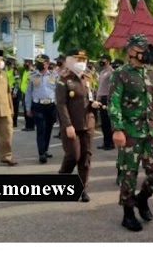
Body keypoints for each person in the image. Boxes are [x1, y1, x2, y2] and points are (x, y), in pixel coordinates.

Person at [109, 34, 153, 232]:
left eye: (146, 49)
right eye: (142, 49)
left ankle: (142, 199)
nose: (146, 53)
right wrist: (118, 129)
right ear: (131, 51)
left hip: (151, 129)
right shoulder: (120, 74)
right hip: (130, 130)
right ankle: (128, 213)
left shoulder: (151, 73)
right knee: (129, 173)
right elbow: (113, 102)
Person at [56, 50, 98, 203]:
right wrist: (67, 125)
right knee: (74, 155)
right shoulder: (63, 79)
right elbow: (61, 104)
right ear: (70, 61)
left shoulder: (88, 78)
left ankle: (82, 189)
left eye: (83, 59)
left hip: (88, 122)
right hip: (72, 124)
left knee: (85, 158)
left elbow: (90, 97)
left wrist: (94, 104)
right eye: (78, 59)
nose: (81, 62)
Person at [25, 54, 58, 164]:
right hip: (38, 106)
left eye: (41, 62)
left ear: (47, 64)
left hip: (51, 106)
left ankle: (46, 149)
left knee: (48, 129)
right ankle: (41, 154)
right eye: (37, 62)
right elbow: (28, 92)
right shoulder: (32, 75)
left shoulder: (54, 76)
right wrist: (28, 107)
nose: (39, 64)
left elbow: (58, 92)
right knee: (41, 129)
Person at [96, 54, 115, 151]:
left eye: (103, 59)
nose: (101, 61)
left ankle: (109, 143)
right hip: (101, 98)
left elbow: (112, 87)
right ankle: (105, 141)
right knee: (103, 122)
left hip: (107, 98)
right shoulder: (102, 72)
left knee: (107, 122)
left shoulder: (111, 72)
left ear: (108, 61)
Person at [20, 57, 35, 131]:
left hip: (29, 94)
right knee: (25, 110)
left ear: (31, 63)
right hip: (24, 92)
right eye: (25, 62)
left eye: (26, 62)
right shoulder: (25, 71)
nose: (25, 64)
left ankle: (30, 126)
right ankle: (27, 125)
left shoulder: (32, 72)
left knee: (29, 109)